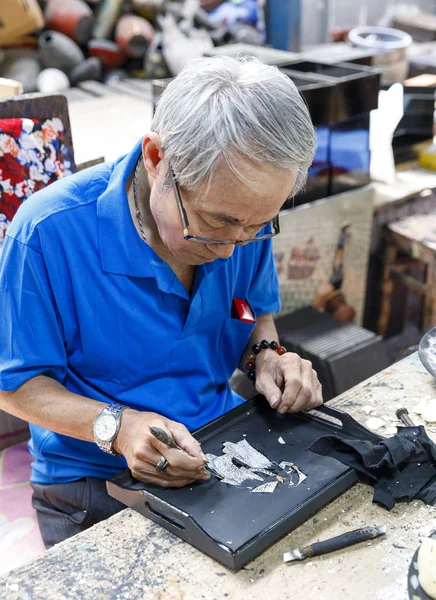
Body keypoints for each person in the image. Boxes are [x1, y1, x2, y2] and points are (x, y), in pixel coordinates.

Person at [0, 56, 321, 549]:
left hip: (220, 441)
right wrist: (118, 428)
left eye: (257, 225)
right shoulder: (47, 234)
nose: (233, 247)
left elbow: (250, 310)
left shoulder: (241, 220)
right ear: (156, 158)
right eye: (215, 223)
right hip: (92, 476)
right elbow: (15, 385)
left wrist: (267, 356)